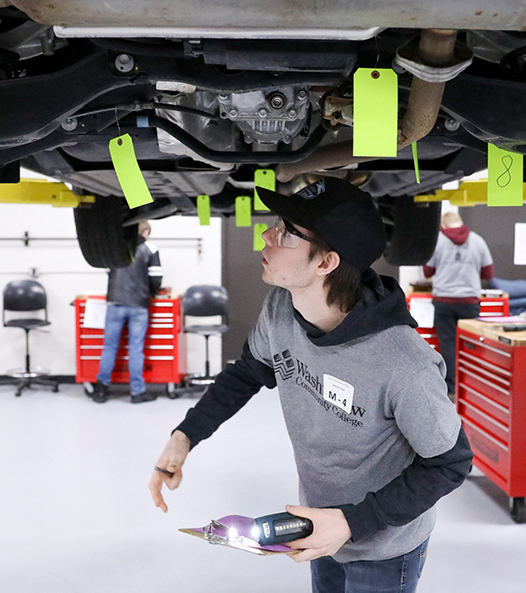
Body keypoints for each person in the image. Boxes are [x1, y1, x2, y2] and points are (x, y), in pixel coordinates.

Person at [149, 178, 473, 593]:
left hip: (385, 545)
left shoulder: (404, 363)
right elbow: (248, 372)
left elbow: (450, 462)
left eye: (286, 232)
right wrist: (184, 436)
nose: (267, 235)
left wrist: (351, 522)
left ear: (325, 263)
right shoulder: (282, 309)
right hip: (320, 527)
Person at [423, 211, 494, 397]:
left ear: (444, 225)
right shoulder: (478, 241)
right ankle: (472, 386)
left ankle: (452, 389)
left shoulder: (436, 241)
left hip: (444, 302)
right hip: (470, 302)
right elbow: (488, 273)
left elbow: (427, 270)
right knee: (471, 345)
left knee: (448, 345)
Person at [90, 221, 163, 404]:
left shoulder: (115, 249)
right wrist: (151, 291)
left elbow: (109, 272)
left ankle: (100, 390)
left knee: (109, 347)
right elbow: (156, 280)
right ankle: (137, 393)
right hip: (138, 305)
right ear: (145, 231)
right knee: (135, 348)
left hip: (115, 302)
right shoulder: (151, 249)